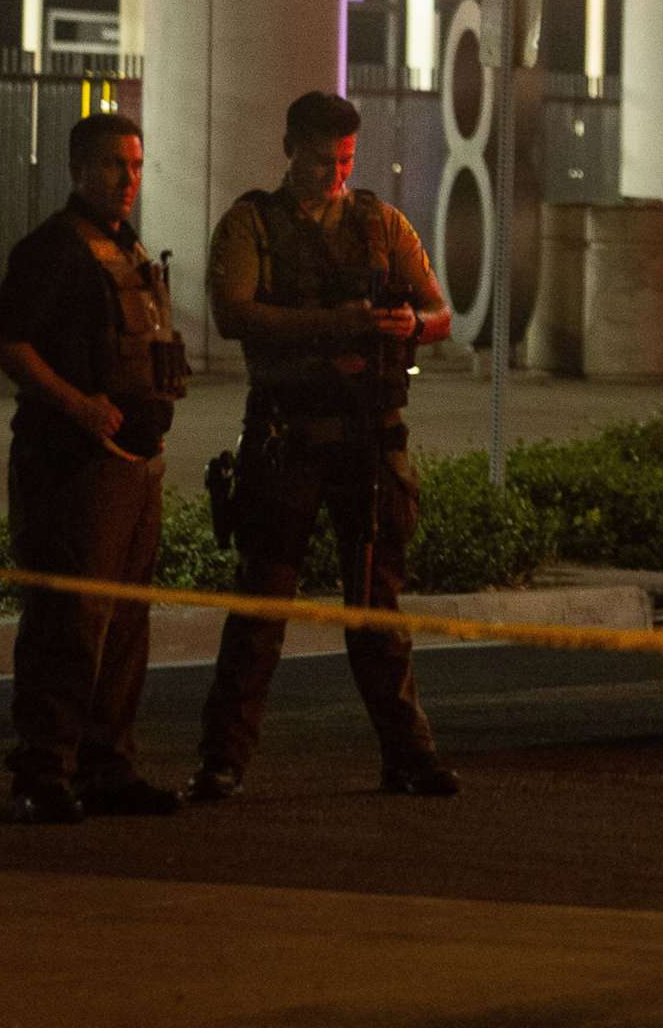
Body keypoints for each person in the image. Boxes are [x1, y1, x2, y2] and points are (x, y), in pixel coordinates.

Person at [188, 90, 459, 803]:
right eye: (319, 160)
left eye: (343, 160)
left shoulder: (380, 223)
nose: (333, 175)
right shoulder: (254, 223)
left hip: (370, 441)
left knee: (377, 610)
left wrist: (409, 323)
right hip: (289, 438)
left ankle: (410, 754)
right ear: (289, 149)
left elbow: (441, 313)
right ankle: (222, 760)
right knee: (261, 608)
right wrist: (330, 321)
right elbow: (233, 312)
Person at [0, 110, 189, 823]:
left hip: (135, 466)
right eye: (111, 166)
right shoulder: (54, 250)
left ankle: (108, 766)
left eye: (135, 165)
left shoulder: (124, 248)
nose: (127, 179)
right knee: (66, 623)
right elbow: (3, 339)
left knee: (125, 626)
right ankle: (44, 771)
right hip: (74, 468)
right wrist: (78, 406)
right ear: (77, 170)